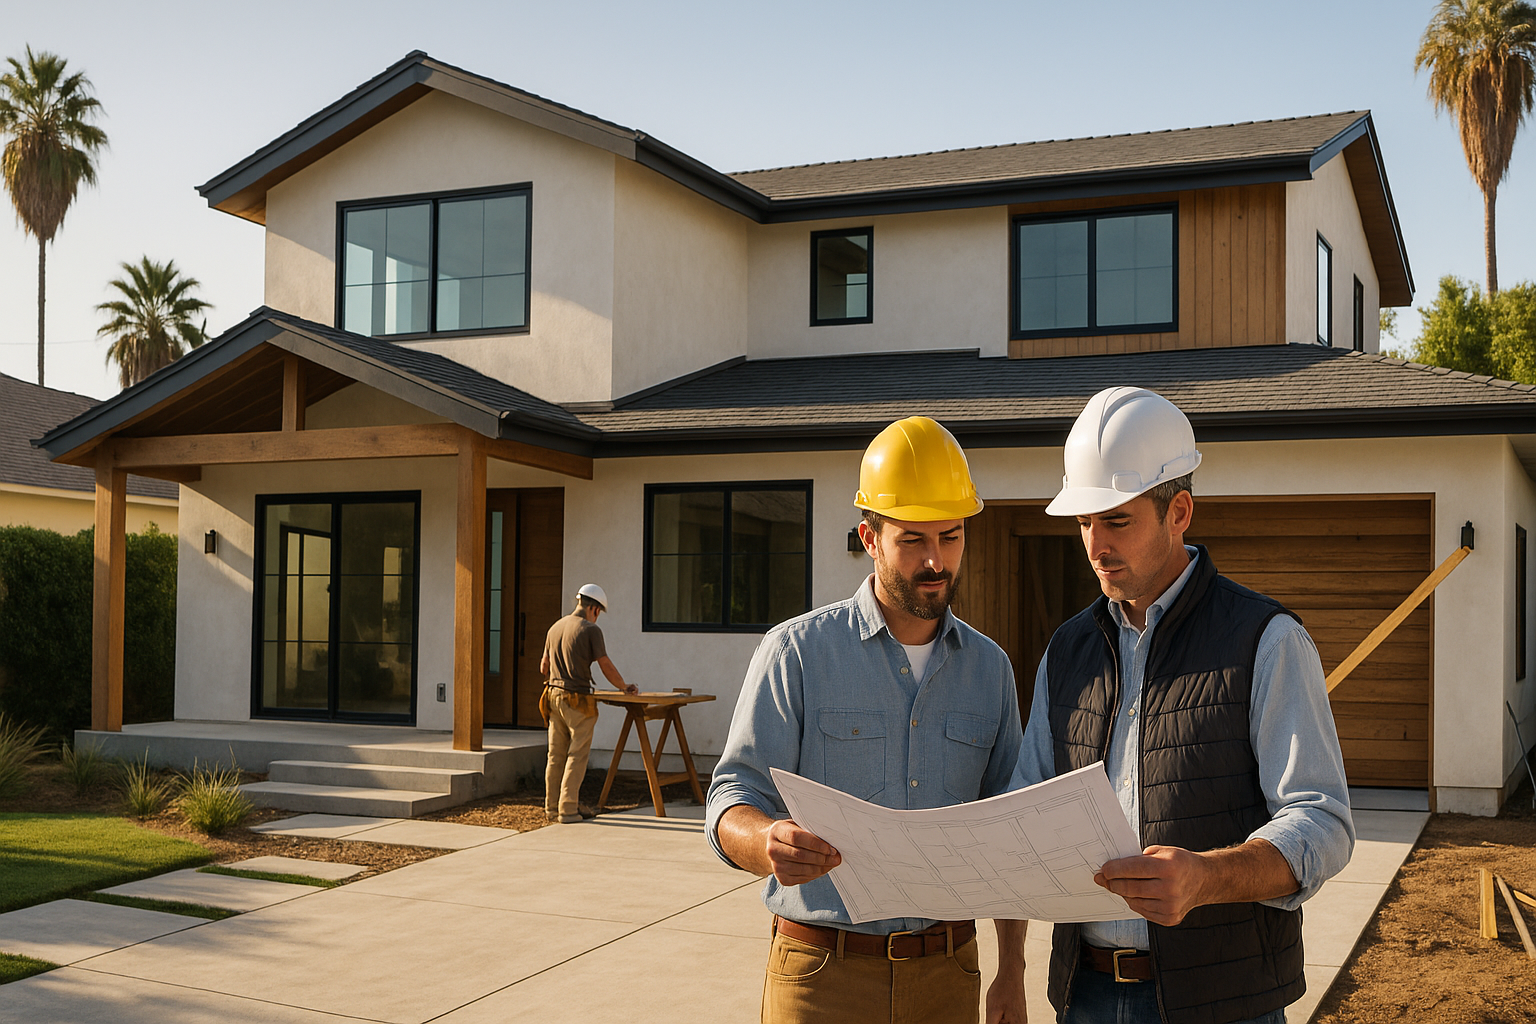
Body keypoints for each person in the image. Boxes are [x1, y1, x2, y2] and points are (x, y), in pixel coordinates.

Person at [1015, 386, 1355, 1024]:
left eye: (1117, 520)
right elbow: (1029, 798)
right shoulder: (1067, 650)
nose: (1095, 546)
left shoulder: (1266, 640)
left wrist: (1206, 877)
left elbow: (1323, 822)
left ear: (1180, 512)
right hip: (1084, 996)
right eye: (1085, 523)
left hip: (1223, 1002)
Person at [706, 415, 1029, 1024]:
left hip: (948, 973)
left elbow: (1006, 830)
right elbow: (731, 798)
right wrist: (764, 842)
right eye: (913, 540)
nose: (935, 561)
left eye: (951, 537)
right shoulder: (795, 653)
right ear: (870, 536)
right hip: (822, 977)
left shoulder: (991, 671)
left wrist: (1010, 972)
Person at [540, 583, 637, 824]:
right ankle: (568, 809)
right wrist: (624, 687)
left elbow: (543, 667)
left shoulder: (555, 628)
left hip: (553, 697)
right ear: (593, 608)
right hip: (577, 701)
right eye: (599, 613)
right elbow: (605, 665)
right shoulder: (590, 630)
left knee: (555, 755)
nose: (598, 618)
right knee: (576, 754)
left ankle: (551, 808)